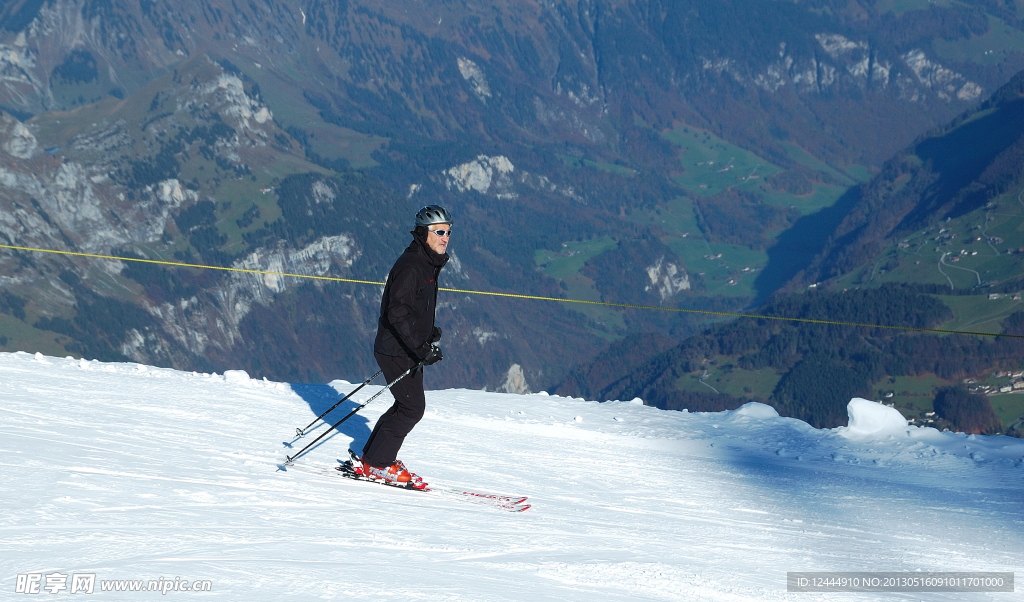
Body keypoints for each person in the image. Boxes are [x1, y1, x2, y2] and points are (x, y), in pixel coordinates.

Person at [357, 205, 451, 486]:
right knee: (412, 408)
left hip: (404, 346)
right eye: (439, 232)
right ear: (424, 233)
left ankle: (374, 458)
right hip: (396, 348)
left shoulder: (426, 263)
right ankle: (378, 463)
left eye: (449, 231)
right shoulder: (413, 266)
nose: (445, 237)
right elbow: (396, 314)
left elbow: (411, 309)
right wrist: (420, 348)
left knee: (406, 405)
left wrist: (428, 333)